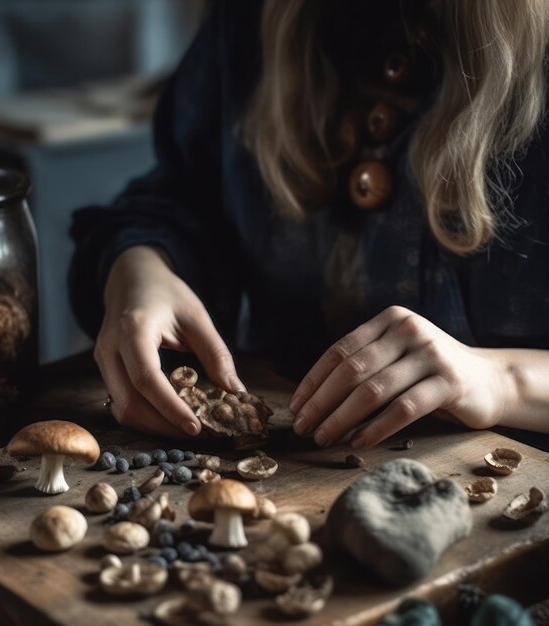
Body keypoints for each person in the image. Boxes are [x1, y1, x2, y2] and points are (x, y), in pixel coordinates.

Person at [70, 0, 549, 449]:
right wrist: (140, 268)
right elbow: (177, 196)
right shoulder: (250, 18)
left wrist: (502, 380)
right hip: (293, 463)